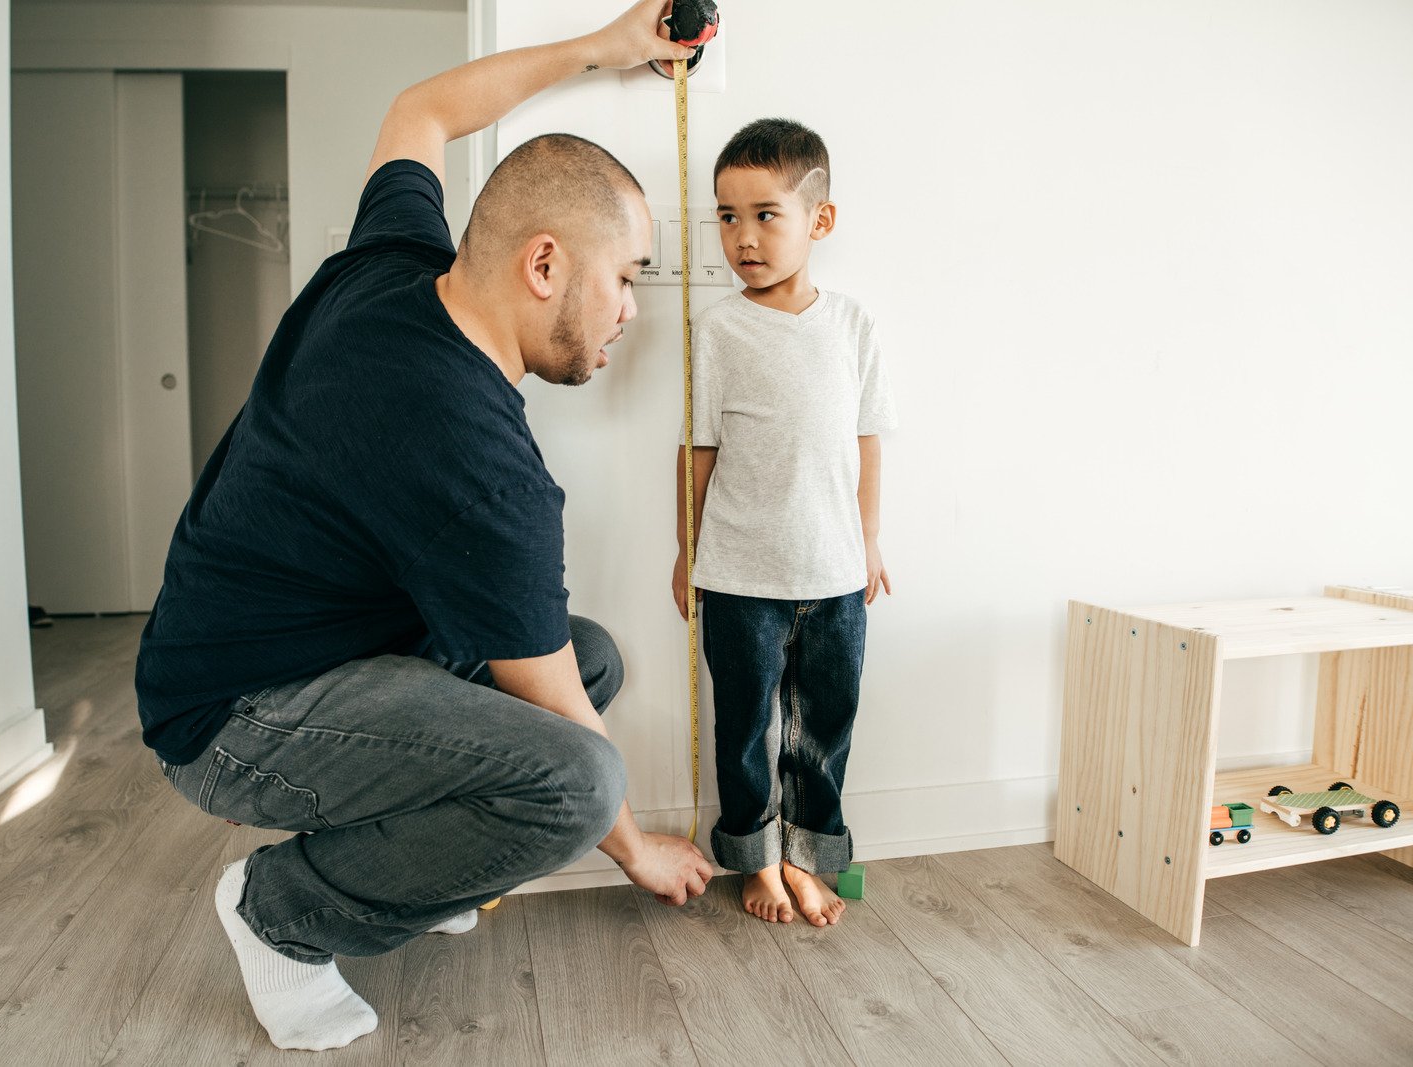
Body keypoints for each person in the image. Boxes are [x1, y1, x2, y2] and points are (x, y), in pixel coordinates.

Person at [134, 2, 710, 1051]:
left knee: (589, 657)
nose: (632, 308)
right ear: (543, 265)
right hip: (229, 714)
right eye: (624, 277)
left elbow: (424, 110)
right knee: (580, 780)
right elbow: (562, 727)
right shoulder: (479, 463)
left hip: (278, 649)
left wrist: (604, 46)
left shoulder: (392, 263)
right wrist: (639, 852)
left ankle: (403, 868)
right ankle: (280, 911)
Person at [671, 118, 898, 927]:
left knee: (823, 728)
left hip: (835, 572)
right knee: (744, 728)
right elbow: (697, 450)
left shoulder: (853, 327)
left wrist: (868, 544)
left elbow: (868, 445)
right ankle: (756, 859)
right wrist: (684, 551)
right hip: (739, 574)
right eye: (727, 217)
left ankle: (810, 858)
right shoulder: (719, 329)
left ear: (818, 221)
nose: (744, 237)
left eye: (766, 214)